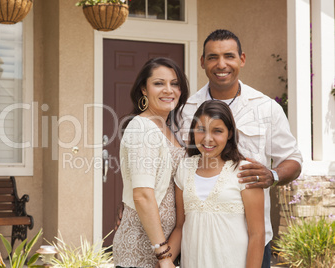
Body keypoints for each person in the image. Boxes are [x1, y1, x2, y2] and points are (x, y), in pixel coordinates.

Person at [180, 29, 303, 268]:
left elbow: (293, 160)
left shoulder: (266, 108)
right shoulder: (187, 109)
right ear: (202, 62)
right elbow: (176, 166)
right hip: (198, 241)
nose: (221, 64)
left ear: (242, 59)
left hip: (253, 239)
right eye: (213, 57)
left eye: (229, 56)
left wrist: (273, 175)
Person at [168, 100, 265, 267]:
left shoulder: (245, 171)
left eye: (217, 131)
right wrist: (164, 260)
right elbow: (179, 227)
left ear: (229, 134)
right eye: (201, 130)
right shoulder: (185, 168)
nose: (207, 139)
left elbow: (257, 234)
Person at [113, 57, 189, 268]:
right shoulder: (142, 128)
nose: (168, 90)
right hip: (140, 249)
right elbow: (143, 195)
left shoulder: (169, 129)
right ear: (144, 90)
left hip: (164, 247)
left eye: (174, 84)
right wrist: (163, 255)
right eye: (158, 83)